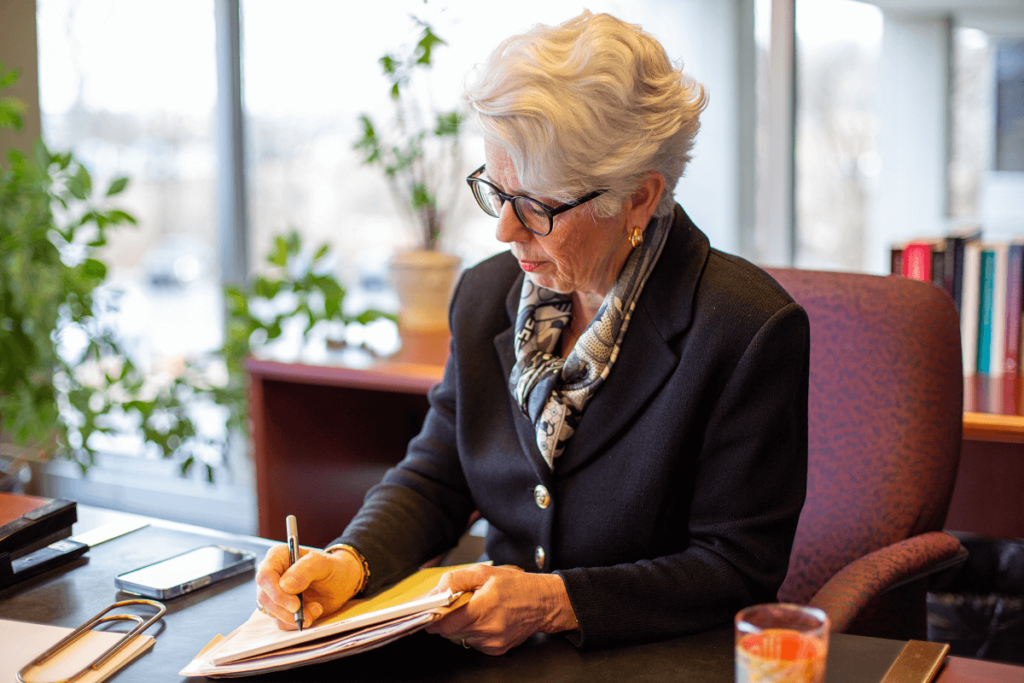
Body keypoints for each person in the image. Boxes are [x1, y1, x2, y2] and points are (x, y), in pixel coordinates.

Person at [255, 10, 809, 656]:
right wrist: (351, 561)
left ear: (637, 197)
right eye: (497, 191)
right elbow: (438, 474)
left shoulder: (746, 331)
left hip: (652, 660)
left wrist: (555, 602)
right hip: (499, 658)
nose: (504, 231)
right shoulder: (487, 296)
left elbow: (736, 567)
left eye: (538, 206)